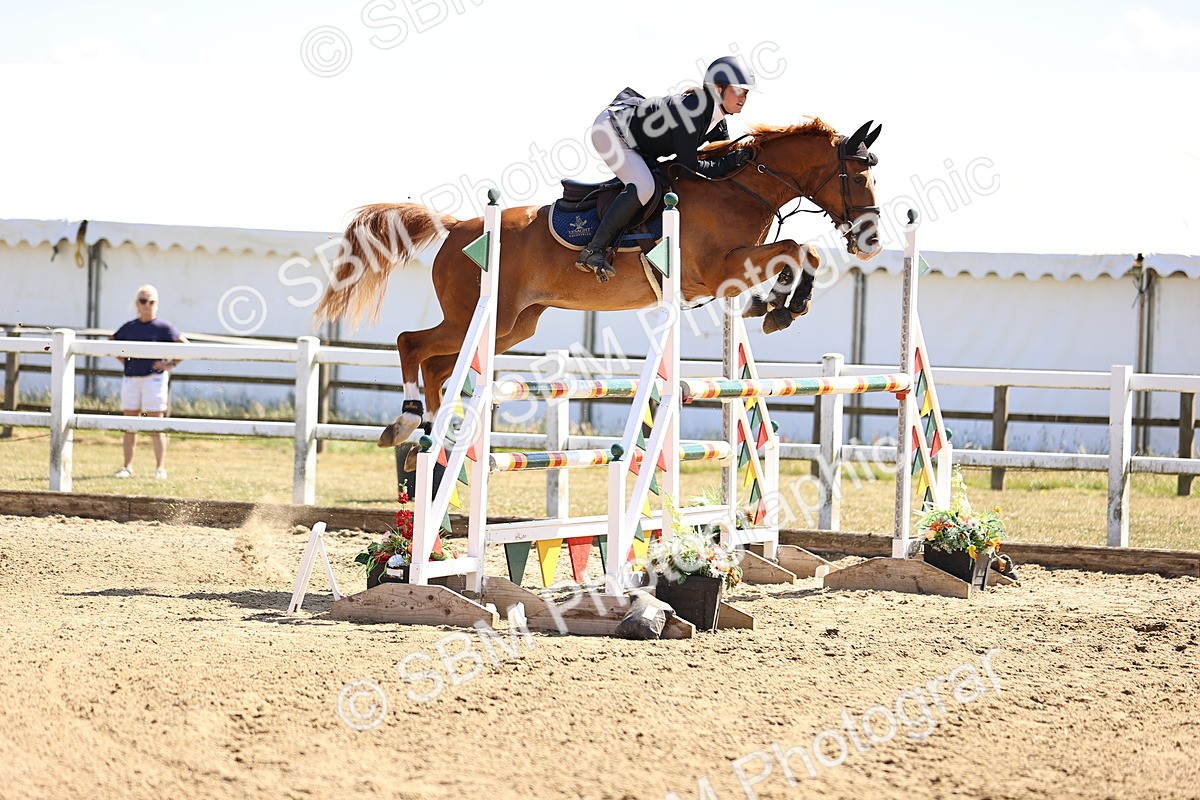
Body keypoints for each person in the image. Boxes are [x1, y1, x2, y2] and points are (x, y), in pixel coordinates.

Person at [577, 55, 758, 280]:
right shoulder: (692, 111)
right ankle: (593, 249)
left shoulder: (717, 119)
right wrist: (731, 161)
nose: (744, 98)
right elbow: (688, 169)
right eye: (739, 91)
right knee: (644, 186)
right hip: (612, 130)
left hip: (636, 136)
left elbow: (722, 156)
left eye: (746, 93)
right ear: (718, 89)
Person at [110, 285, 187, 479]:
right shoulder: (130, 327)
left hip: (154, 378)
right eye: (143, 301)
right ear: (137, 304)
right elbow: (112, 341)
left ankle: (160, 468)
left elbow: (184, 345)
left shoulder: (164, 328)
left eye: (151, 301)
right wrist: (124, 360)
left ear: (157, 304)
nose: (147, 305)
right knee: (129, 422)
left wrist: (170, 364)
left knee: (156, 422)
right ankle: (127, 466)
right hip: (132, 378)